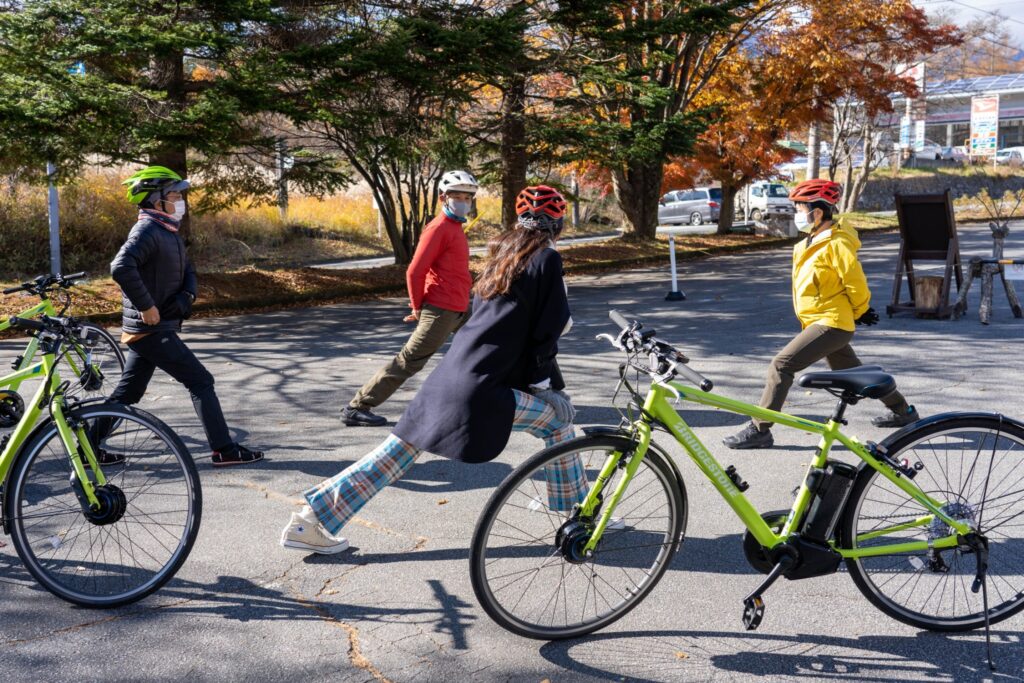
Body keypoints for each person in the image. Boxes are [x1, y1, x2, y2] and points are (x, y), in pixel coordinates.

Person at [282, 185, 587, 554]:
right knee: (558, 421)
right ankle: (579, 515)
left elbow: (500, 326)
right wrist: (546, 387)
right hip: (483, 391)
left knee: (393, 457)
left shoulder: (501, 255)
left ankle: (308, 520)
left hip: (449, 377)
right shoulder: (546, 260)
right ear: (558, 224)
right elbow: (548, 328)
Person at [723, 178, 920, 450]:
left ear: (818, 212)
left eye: (801, 208)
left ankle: (760, 429)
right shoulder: (809, 242)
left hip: (831, 323)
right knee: (853, 371)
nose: (797, 213)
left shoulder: (837, 243)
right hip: (819, 320)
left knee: (781, 366)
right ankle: (904, 413)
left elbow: (855, 281)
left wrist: (861, 310)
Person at [98, 166, 264, 466]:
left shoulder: (167, 231)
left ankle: (86, 449)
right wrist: (147, 307)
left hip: (154, 328)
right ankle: (224, 450)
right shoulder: (147, 230)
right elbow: (121, 267)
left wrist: (187, 296)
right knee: (201, 381)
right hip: (151, 329)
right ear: (155, 200)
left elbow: (187, 269)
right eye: (174, 196)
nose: (180, 201)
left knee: (128, 393)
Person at [342, 170, 479, 427]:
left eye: (467, 197)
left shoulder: (456, 227)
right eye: (456, 196)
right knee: (409, 360)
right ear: (443, 198)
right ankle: (357, 406)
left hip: (460, 306)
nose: (462, 201)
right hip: (441, 309)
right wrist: (417, 307)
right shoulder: (438, 228)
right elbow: (415, 271)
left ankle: (479, 396)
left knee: (485, 342)